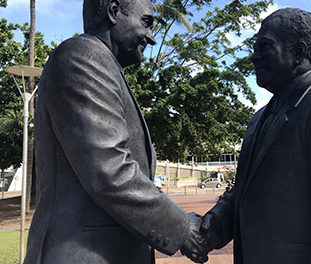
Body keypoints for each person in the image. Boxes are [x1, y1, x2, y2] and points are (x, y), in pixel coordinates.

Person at [24, 0, 206, 263]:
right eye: (146, 22)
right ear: (113, 11)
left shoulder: (107, 67)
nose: (151, 38)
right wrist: (183, 229)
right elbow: (109, 169)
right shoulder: (83, 56)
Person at [192, 8, 311, 264]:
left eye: (265, 47)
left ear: (298, 52)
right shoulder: (258, 118)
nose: (254, 57)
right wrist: (209, 229)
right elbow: (242, 195)